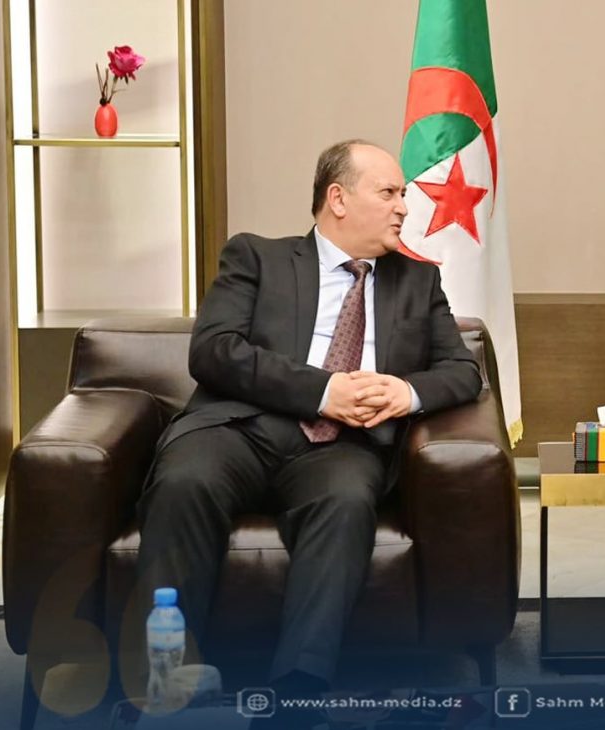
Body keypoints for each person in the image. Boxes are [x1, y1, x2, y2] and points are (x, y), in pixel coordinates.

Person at [135, 139, 482, 695]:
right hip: (238, 430)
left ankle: (299, 687)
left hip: (346, 446)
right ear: (338, 198)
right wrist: (322, 391)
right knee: (185, 482)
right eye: (389, 193)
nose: (404, 207)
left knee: (346, 502)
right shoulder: (257, 257)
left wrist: (406, 391)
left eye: (403, 195)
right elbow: (214, 350)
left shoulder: (417, 281)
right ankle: (164, 677)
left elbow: (463, 371)